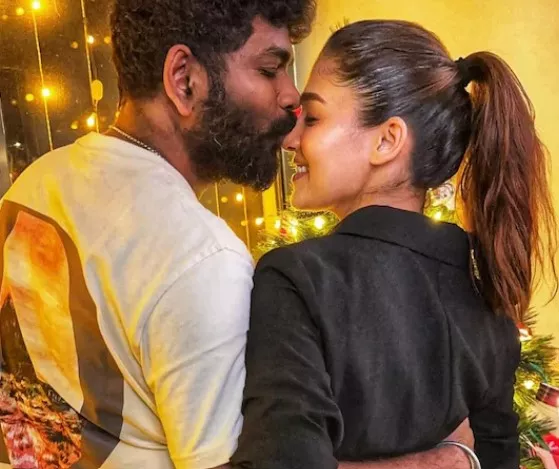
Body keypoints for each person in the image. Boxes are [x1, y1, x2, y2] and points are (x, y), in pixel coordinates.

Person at [0, 4, 469, 468]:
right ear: (185, 80)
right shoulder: (202, 258)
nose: (291, 97)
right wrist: (440, 462)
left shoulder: (37, 183)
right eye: (269, 69)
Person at [231, 20, 558, 469]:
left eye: (314, 118)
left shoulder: (295, 278)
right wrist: (441, 461)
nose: (292, 138)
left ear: (387, 141)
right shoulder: (487, 294)